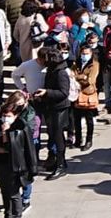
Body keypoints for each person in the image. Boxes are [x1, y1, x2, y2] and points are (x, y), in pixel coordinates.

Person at [0, 102, 36, 218]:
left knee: (14, 193)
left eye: (8, 116)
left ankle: (16, 214)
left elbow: (20, 148)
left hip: (15, 166)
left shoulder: (20, 128)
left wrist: (5, 134)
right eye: (4, 115)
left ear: (15, 116)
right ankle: (8, 213)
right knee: (5, 192)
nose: (5, 118)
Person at [32, 46, 74, 180]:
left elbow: (63, 92)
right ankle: (58, 162)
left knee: (58, 137)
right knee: (53, 135)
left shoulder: (61, 73)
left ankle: (61, 165)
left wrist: (47, 92)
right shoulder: (52, 70)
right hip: (51, 108)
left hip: (59, 109)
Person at [72, 40, 101, 151]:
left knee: (89, 119)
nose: (84, 56)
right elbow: (72, 75)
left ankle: (89, 140)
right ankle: (78, 139)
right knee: (77, 119)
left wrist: (79, 77)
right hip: (76, 94)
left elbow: (90, 80)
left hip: (88, 93)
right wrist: (82, 77)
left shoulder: (95, 64)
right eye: (83, 53)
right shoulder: (76, 63)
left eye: (87, 53)